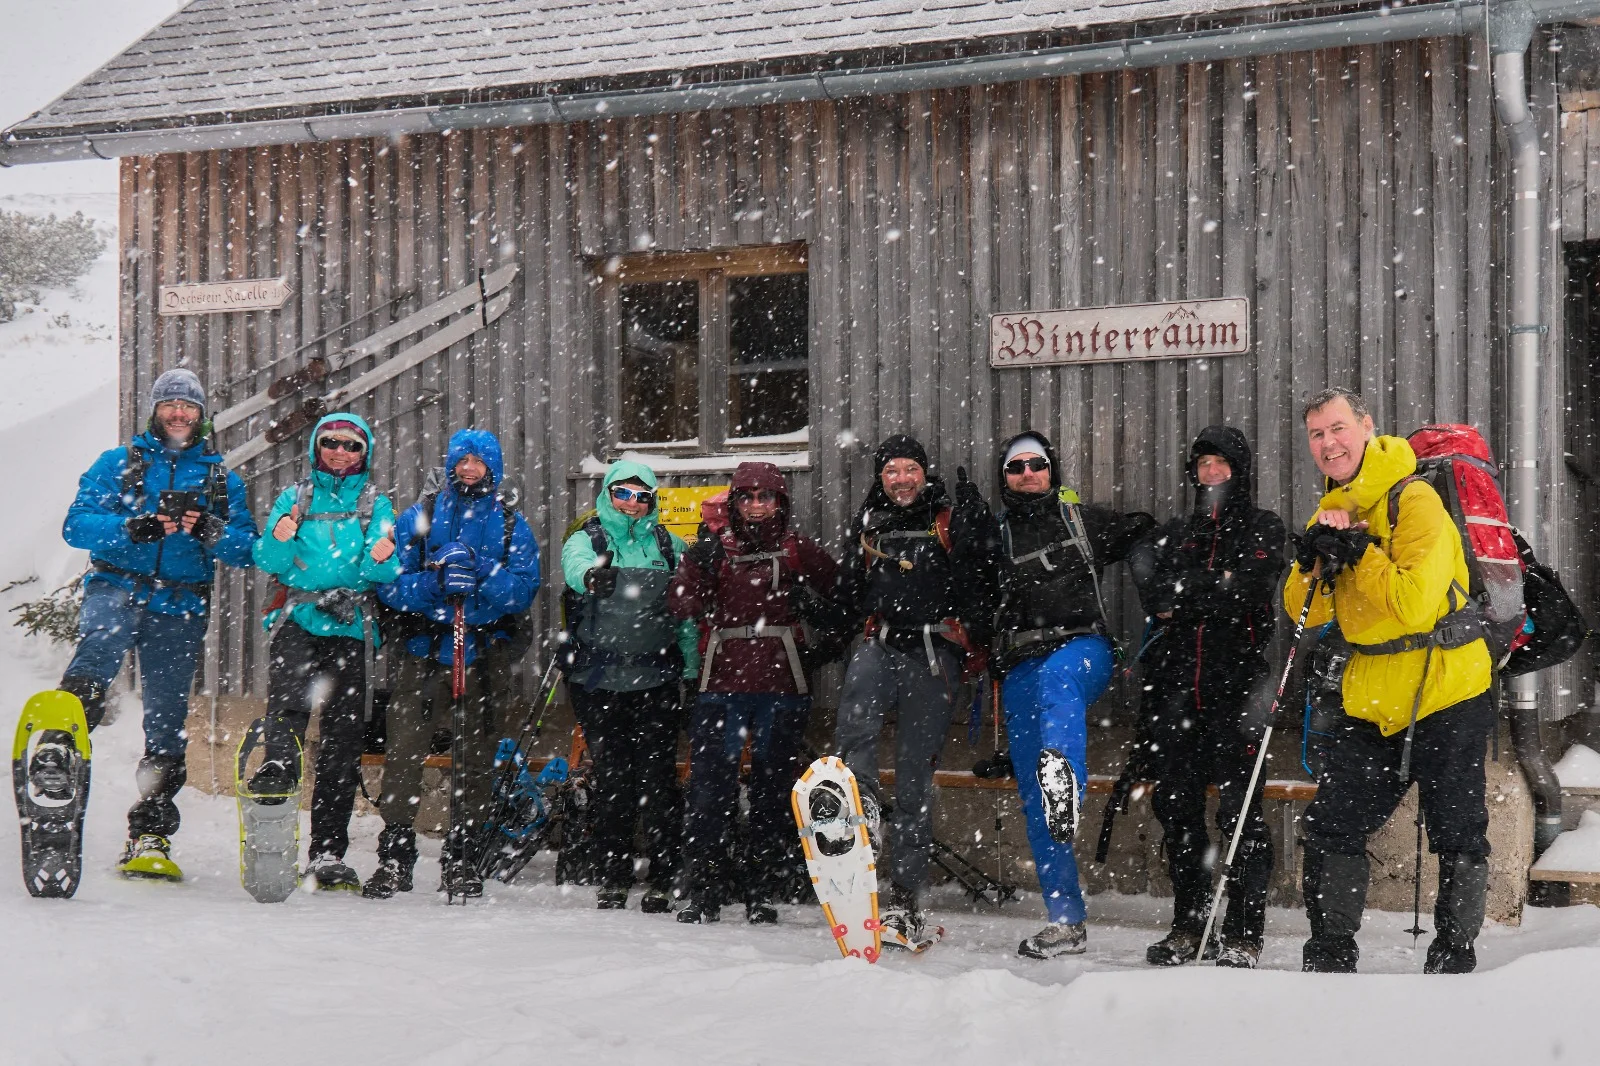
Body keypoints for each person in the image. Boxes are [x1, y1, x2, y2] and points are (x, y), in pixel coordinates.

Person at [1286, 387, 1494, 974]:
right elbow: (1306, 611)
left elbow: (1412, 601)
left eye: (1337, 429)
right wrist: (1312, 561)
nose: (1328, 444)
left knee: (1456, 826)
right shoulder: (1333, 506)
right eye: (1317, 435)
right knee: (1333, 825)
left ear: (1367, 427)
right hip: (1373, 694)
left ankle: (1453, 957)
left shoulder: (1416, 499)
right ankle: (1328, 955)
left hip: (1447, 687)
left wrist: (1361, 553)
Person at [55, 368, 257, 879]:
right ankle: (59, 754)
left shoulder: (219, 479)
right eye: (169, 404)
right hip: (117, 586)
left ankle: (151, 832)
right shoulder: (119, 464)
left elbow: (249, 549)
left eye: (188, 406)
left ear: (201, 414)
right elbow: (76, 526)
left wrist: (210, 529)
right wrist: (131, 528)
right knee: (98, 649)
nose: (178, 413)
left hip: (180, 606)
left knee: (165, 721)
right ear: (155, 410)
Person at [988, 431, 1152, 959]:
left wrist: (1163, 589)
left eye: (1037, 464)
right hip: (1020, 664)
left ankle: (1069, 783)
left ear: (1052, 470)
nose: (1028, 473)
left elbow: (1145, 533)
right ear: (1006, 479)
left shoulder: (1081, 520)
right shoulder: (997, 536)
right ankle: (1066, 921)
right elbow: (969, 593)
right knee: (1036, 804)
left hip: (1084, 650)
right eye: (1017, 467)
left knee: (1059, 685)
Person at [1127, 426, 1285, 969]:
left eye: (1221, 463)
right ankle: (1190, 925)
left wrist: (1194, 592)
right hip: (1176, 694)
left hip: (1239, 692)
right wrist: (1211, 587)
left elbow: (1252, 589)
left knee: (1242, 817)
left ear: (1239, 470)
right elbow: (1157, 595)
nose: (1211, 472)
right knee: (1179, 811)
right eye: (1203, 464)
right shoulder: (1177, 533)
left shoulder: (1264, 526)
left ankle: (1244, 932)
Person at [832, 434, 994, 949]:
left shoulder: (947, 521)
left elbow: (980, 580)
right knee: (851, 731)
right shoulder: (868, 525)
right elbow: (850, 592)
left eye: (909, 469)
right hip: (879, 643)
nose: (902, 480)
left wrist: (977, 530)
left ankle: (904, 896)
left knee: (914, 775)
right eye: (891, 472)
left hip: (931, 654)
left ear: (924, 472)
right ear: (880, 479)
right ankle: (863, 815)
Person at [368, 428, 540, 900]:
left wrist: (483, 569)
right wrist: (434, 583)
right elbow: (387, 582)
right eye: (462, 460)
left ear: (493, 468)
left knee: (476, 758)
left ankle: (461, 856)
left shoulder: (509, 525)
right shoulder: (418, 518)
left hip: (483, 655)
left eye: (479, 462)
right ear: (450, 464)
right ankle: (395, 854)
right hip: (423, 654)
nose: (469, 469)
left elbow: (524, 590)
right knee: (404, 753)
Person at [668, 461, 839, 924]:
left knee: (772, 790)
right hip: (720, 685)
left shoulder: (798, 551)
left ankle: (762, 889)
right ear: (735, 503)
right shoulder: (712, 550)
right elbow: (680, 601)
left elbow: (846, 597)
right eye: (748, 497)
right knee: (710, 790)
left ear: (780, 503)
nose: (757, 506)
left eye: (766, 498)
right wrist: (694, 575)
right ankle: (705, 889)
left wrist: (819, 634)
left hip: (782, 688)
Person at [249, 413, 401, 891]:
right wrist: (279, 537)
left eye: (352, 445)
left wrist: (381, 560)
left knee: (342, 740)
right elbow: (269, 562)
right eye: (331, 443)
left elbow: (387, 569)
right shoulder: (294, 499)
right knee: (288, 715)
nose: (341, 451)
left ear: (365, 453)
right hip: (298, 621)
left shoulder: (376, 504)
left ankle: (328, 851)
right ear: (317, 448)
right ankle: (276, 798)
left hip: (351, 627)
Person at [560, 460, 700, 912]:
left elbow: (686, 617)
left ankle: (663, 875)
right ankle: (614, 874)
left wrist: (692, 670)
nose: (633, 504)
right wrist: (590, 577)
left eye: (643, 496)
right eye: (624, 493)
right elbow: (573, 565)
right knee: (614, 779)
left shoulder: (669, 545)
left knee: (658, 780)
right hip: (598, 681)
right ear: (608, 493)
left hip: (655, 680)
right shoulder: (590, 539)